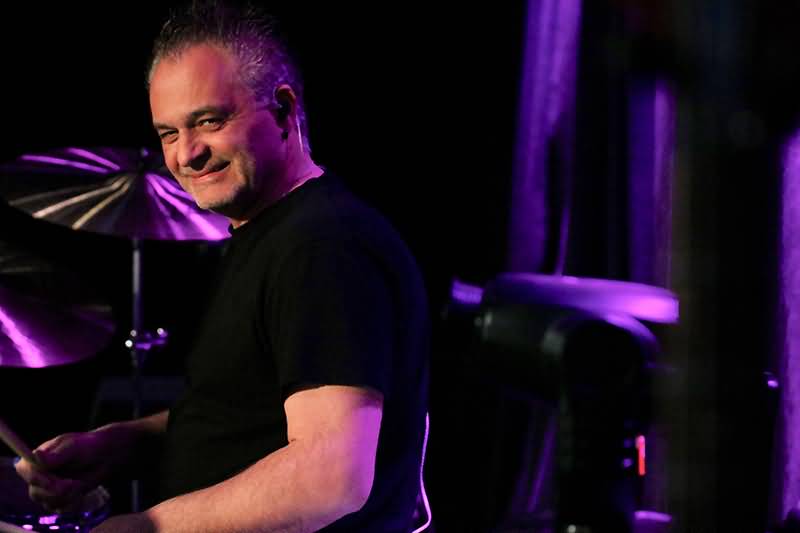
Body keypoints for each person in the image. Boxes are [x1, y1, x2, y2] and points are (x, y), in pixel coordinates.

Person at [14, 1, 430, 531]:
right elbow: (247, 415)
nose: (186, 154)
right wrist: (123, 443)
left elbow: (331, 478)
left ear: (284, 110)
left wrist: (148, 528)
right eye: (168, 133)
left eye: (209, 121)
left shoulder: (323, 246)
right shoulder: (271, 233)